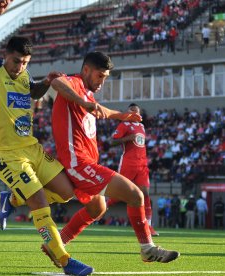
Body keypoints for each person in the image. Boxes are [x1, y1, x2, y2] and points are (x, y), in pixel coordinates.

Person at [0, 0, 93, 276]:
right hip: (7, 154)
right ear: (6, 55)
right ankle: (65, 261)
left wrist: (45, 83)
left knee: (68, 193)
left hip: (32, 148)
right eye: (16, 61)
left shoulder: (23, 76)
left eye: (25, 62)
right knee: (41, 205)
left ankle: (12, 200)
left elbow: (31, 92)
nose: (20, 66)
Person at [51, 51, 179, 263]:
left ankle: (56, 244)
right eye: (100, 75)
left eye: (106, 77)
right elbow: (56, 83)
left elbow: (101, 110)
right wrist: (83, 103)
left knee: (98, 208)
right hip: (78, 164)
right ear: (86, 70)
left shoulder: (87, 94)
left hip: (86, 163)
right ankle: (147, 248)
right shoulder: (74, 83)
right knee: (136, 195)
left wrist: (122, 115)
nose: (102, 81)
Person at [107, 103, 159, 236]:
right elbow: (112, 141)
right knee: (119, 194)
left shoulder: (142, 126)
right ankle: (100, 208)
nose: (135, 114)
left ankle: (149, 226)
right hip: (128, 164)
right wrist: (127, 138)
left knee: (145, 194)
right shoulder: (123, 125)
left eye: (137, 112)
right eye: (132, 111)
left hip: (142, 164)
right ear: (128, 113)